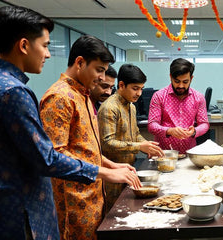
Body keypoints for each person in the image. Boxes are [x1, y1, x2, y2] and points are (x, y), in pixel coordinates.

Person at [0, 6, 138, 240]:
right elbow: (48, 158)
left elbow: (80, 149)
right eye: (45, 45)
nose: (48, 54)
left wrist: (109, 166)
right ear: (23, 45)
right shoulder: (15, 91)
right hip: (22, 211)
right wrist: (104, 172)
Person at [39, 35, 141, 240]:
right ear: (80, 62)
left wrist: (111, 165)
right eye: (99, 70)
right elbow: (54, 157)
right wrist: (104, 172)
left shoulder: (83, 95)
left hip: (92, 195)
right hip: (74, 199)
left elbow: (86, 148)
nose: (103, 78)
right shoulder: (60, 97)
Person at [98, 63, 164, 212]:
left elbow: (135, 135)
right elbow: (107, 143)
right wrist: (139, 147)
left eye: (141, 88)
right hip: (111, 173)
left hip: (129, 169)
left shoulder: (131, 107)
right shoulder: (109, 107)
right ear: (121, 85)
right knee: (113, 213)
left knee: (128, 209)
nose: (139, 93)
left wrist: (147, 144)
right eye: (135, 88)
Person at [148, 58, 209, 153]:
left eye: (185, 82)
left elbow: (204, 124)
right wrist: (169, 131)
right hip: (164, 154)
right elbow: (152, 125)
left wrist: (194, 131)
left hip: (189, 153)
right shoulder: (159, 96)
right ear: (170, 77)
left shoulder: (198, 97)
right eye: (177, 81)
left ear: (191, 78)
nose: (181, 86)